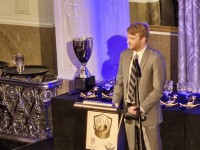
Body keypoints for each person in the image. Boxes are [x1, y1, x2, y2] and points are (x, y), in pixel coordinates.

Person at [112, 22, 166, 150]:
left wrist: (140, 108)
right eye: (128, 37)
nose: (128, 41)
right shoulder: (124, 55)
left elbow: (158, 90)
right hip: (128, 113)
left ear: (143, 39)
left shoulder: (155, 58)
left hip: (148, 115)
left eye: (132, 38)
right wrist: (115, 102)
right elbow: (119, 82)